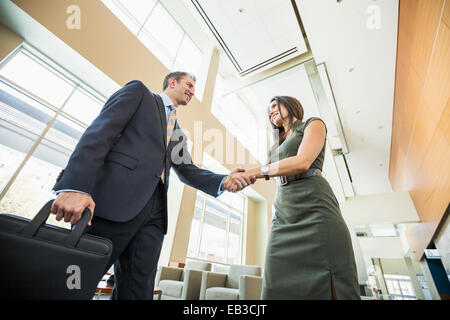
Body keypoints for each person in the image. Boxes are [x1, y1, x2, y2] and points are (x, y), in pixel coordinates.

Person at [51, 71, 255, 299]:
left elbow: (187, 171)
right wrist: (76, 186)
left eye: (194, 89)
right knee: (76, 281)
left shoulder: (178, 133)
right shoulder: (139, 93)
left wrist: (223, 180)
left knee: (138, 290)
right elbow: (100, 133)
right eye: (188, 85)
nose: (192, 91)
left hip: (155, 216)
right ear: (172, 82)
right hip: (114, 202)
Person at [240, 96, 360, 300]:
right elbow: (271, 172)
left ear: (290, 104)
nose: (271, 112)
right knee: (274, 278)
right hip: (285, 210)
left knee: (330, 280)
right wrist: (238, 177)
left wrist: (255, 171)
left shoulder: (313, 124)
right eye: (268, 111)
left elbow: (303, 161)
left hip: (315, 207)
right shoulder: (276, 146)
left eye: (274, 106)